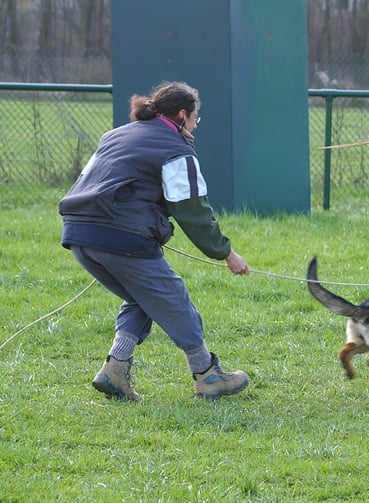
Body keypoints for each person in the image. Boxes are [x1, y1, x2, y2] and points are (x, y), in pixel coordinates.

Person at [59, 81, 251, 401]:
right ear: (181, 115)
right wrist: (226, 252)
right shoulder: (175, 147)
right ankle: (207, 375)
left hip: (78, 233)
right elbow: (192, 210)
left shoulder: (117, 134)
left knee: (143, 297)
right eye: (194, 120)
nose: (194, 127)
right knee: (174, 298)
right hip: (123, 236)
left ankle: (115, 371)